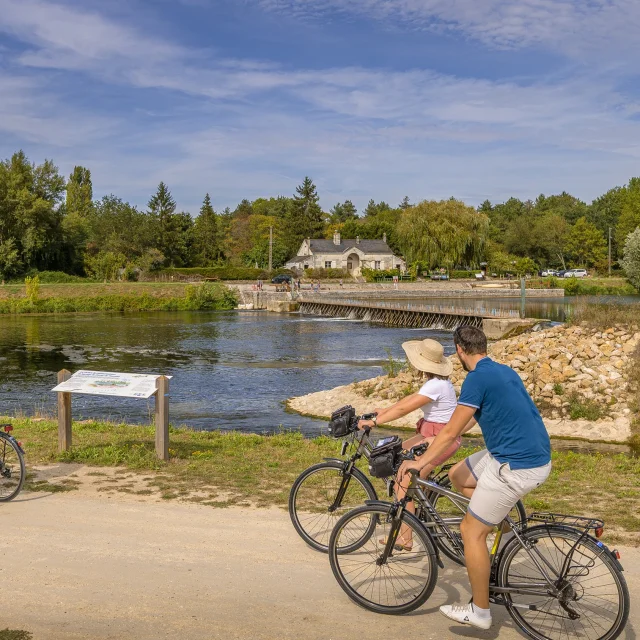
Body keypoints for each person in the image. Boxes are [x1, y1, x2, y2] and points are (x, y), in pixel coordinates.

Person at [399, 326, 551, 631]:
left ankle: (480, 610)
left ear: (458, 350)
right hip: (528, 453)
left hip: (515, 464)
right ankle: (500, 524)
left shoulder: (475, 379)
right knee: (458, 474)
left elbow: (453, 432)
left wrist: (422, 462)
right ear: (483, 346)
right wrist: (433, 443)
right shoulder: (501, 370)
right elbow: (463, 423)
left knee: (471, 531)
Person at [359, 338, 463, 549]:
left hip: (438, 440)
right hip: (431, 436)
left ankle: (405, 538)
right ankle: (416, 506)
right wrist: (384, 411)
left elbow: (405, 410)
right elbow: (408, 401)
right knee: (397, 455)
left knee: (402, 479)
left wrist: (375, 421)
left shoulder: (436, 385)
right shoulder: (438, 383)